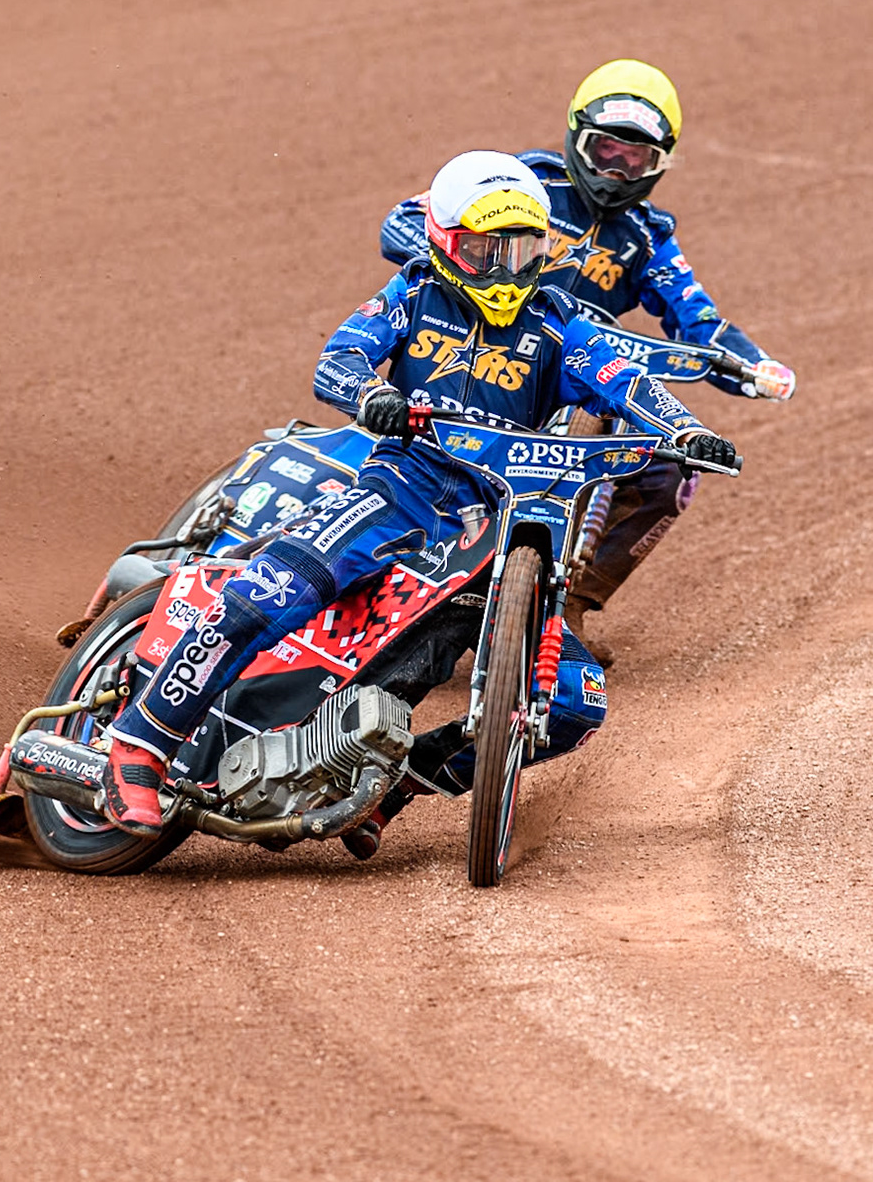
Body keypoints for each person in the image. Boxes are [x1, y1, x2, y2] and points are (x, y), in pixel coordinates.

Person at [98, 151, 739, 849]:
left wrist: (685, 428)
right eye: (483, 249)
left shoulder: (556, 322)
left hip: (502, 514)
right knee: (268, 590)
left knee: (572, 704)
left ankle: (400, 782)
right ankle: (138, 746)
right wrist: (370, 394)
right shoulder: (412, 292)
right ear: (442, 239)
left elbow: (626, 381)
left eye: (520, 249)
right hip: (402, 485)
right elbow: (338, 358)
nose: (503, 269)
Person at [379, 60, 793, 661]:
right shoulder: (524, 184)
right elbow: (404, 221)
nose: (617, 170)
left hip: (570, 371)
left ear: (661, 164)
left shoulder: (648, 239)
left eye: (636, 158)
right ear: (576, 137)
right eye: (606, 150)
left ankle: (565, 603)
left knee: (668, 475)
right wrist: (462, 267)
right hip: (473, 346)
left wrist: (755, 367)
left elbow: (699, 323)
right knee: (401, 426)